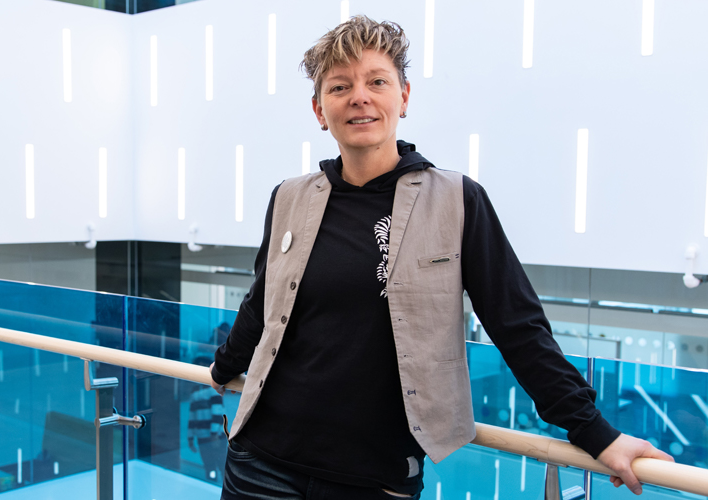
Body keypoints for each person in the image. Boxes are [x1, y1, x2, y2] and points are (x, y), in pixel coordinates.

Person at [209, 15, 673, 500]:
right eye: (340, 86)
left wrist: (595, 432)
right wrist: (224, 367)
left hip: (374, 475)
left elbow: (516, 325)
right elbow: (263, 300)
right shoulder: (290, 196)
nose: (359, 97)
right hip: (260, 461)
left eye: (377, 82)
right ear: (319, 109)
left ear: (403, 97)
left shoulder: (456, 200)